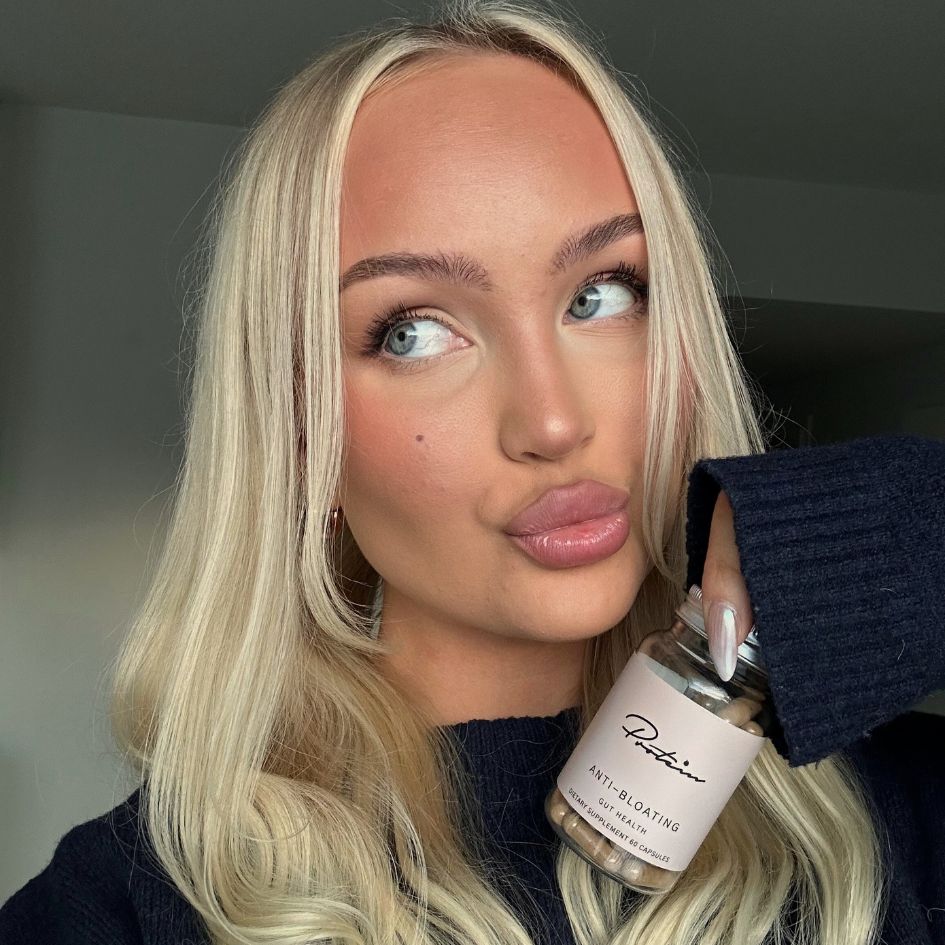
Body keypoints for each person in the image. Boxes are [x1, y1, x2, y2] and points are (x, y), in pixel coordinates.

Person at [2, 1, 944, 943]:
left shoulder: (895, 815)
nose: (552, 421)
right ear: (298, 432)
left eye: (601, 294)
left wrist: (899, 529)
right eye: (412, 332)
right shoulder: (123, 909)